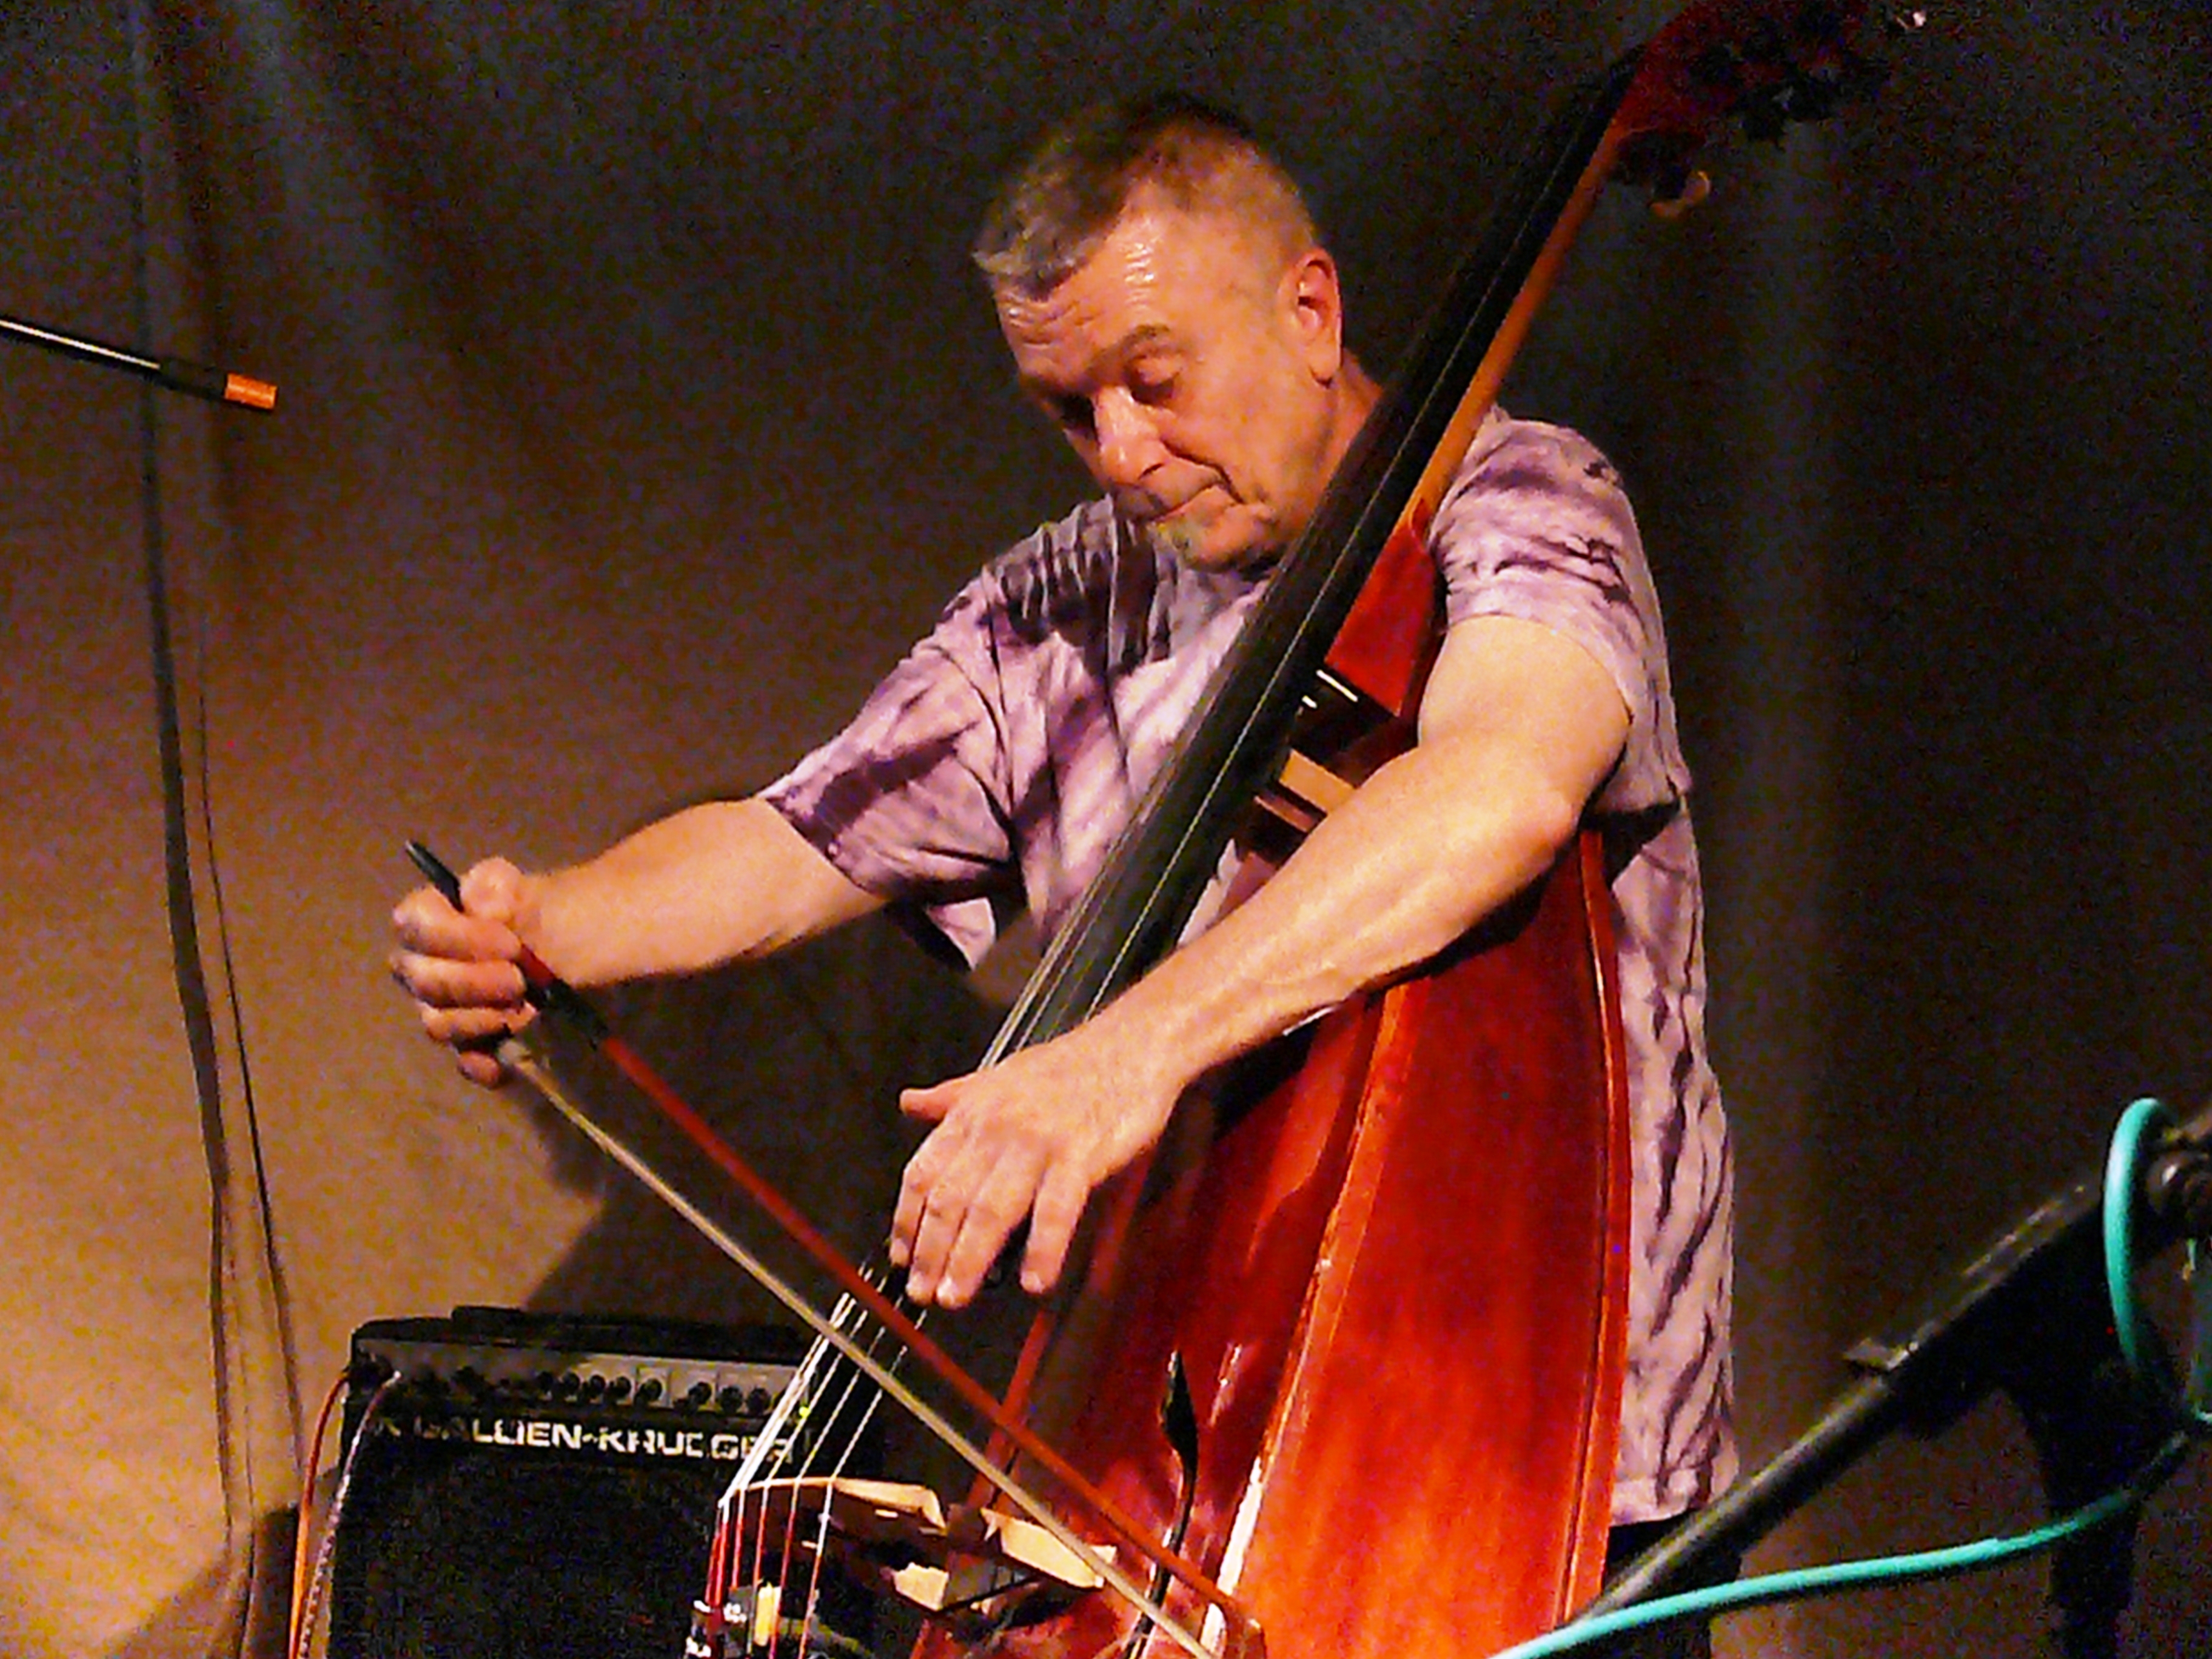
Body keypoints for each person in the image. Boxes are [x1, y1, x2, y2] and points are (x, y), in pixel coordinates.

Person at [391, 93, 1734, 1655]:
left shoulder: (1519, 500)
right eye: (1068, 408)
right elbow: (795, 837)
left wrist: (1122, 1055)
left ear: (1310, 309)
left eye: (1155, 384)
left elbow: (1497, 783)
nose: (1122, 453)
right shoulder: (1067, 601)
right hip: (1188, 1452)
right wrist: (552, 922)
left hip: (1540, 1447)